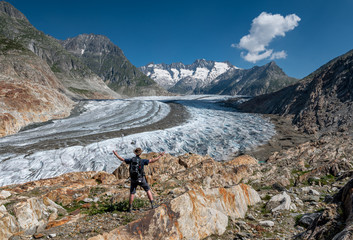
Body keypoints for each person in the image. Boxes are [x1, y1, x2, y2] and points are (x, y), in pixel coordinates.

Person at [112, 147, 164, 212]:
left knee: (132, 193)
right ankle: (153, 204)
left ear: (135, 153)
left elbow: (122, 159)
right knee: (148, 190)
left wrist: (116, 154)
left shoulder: (131, 160)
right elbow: (152, 160)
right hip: (141, 178)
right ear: (140, 153)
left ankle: (130, 208)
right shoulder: (142, 161)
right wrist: (160, 156)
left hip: (133, 179)